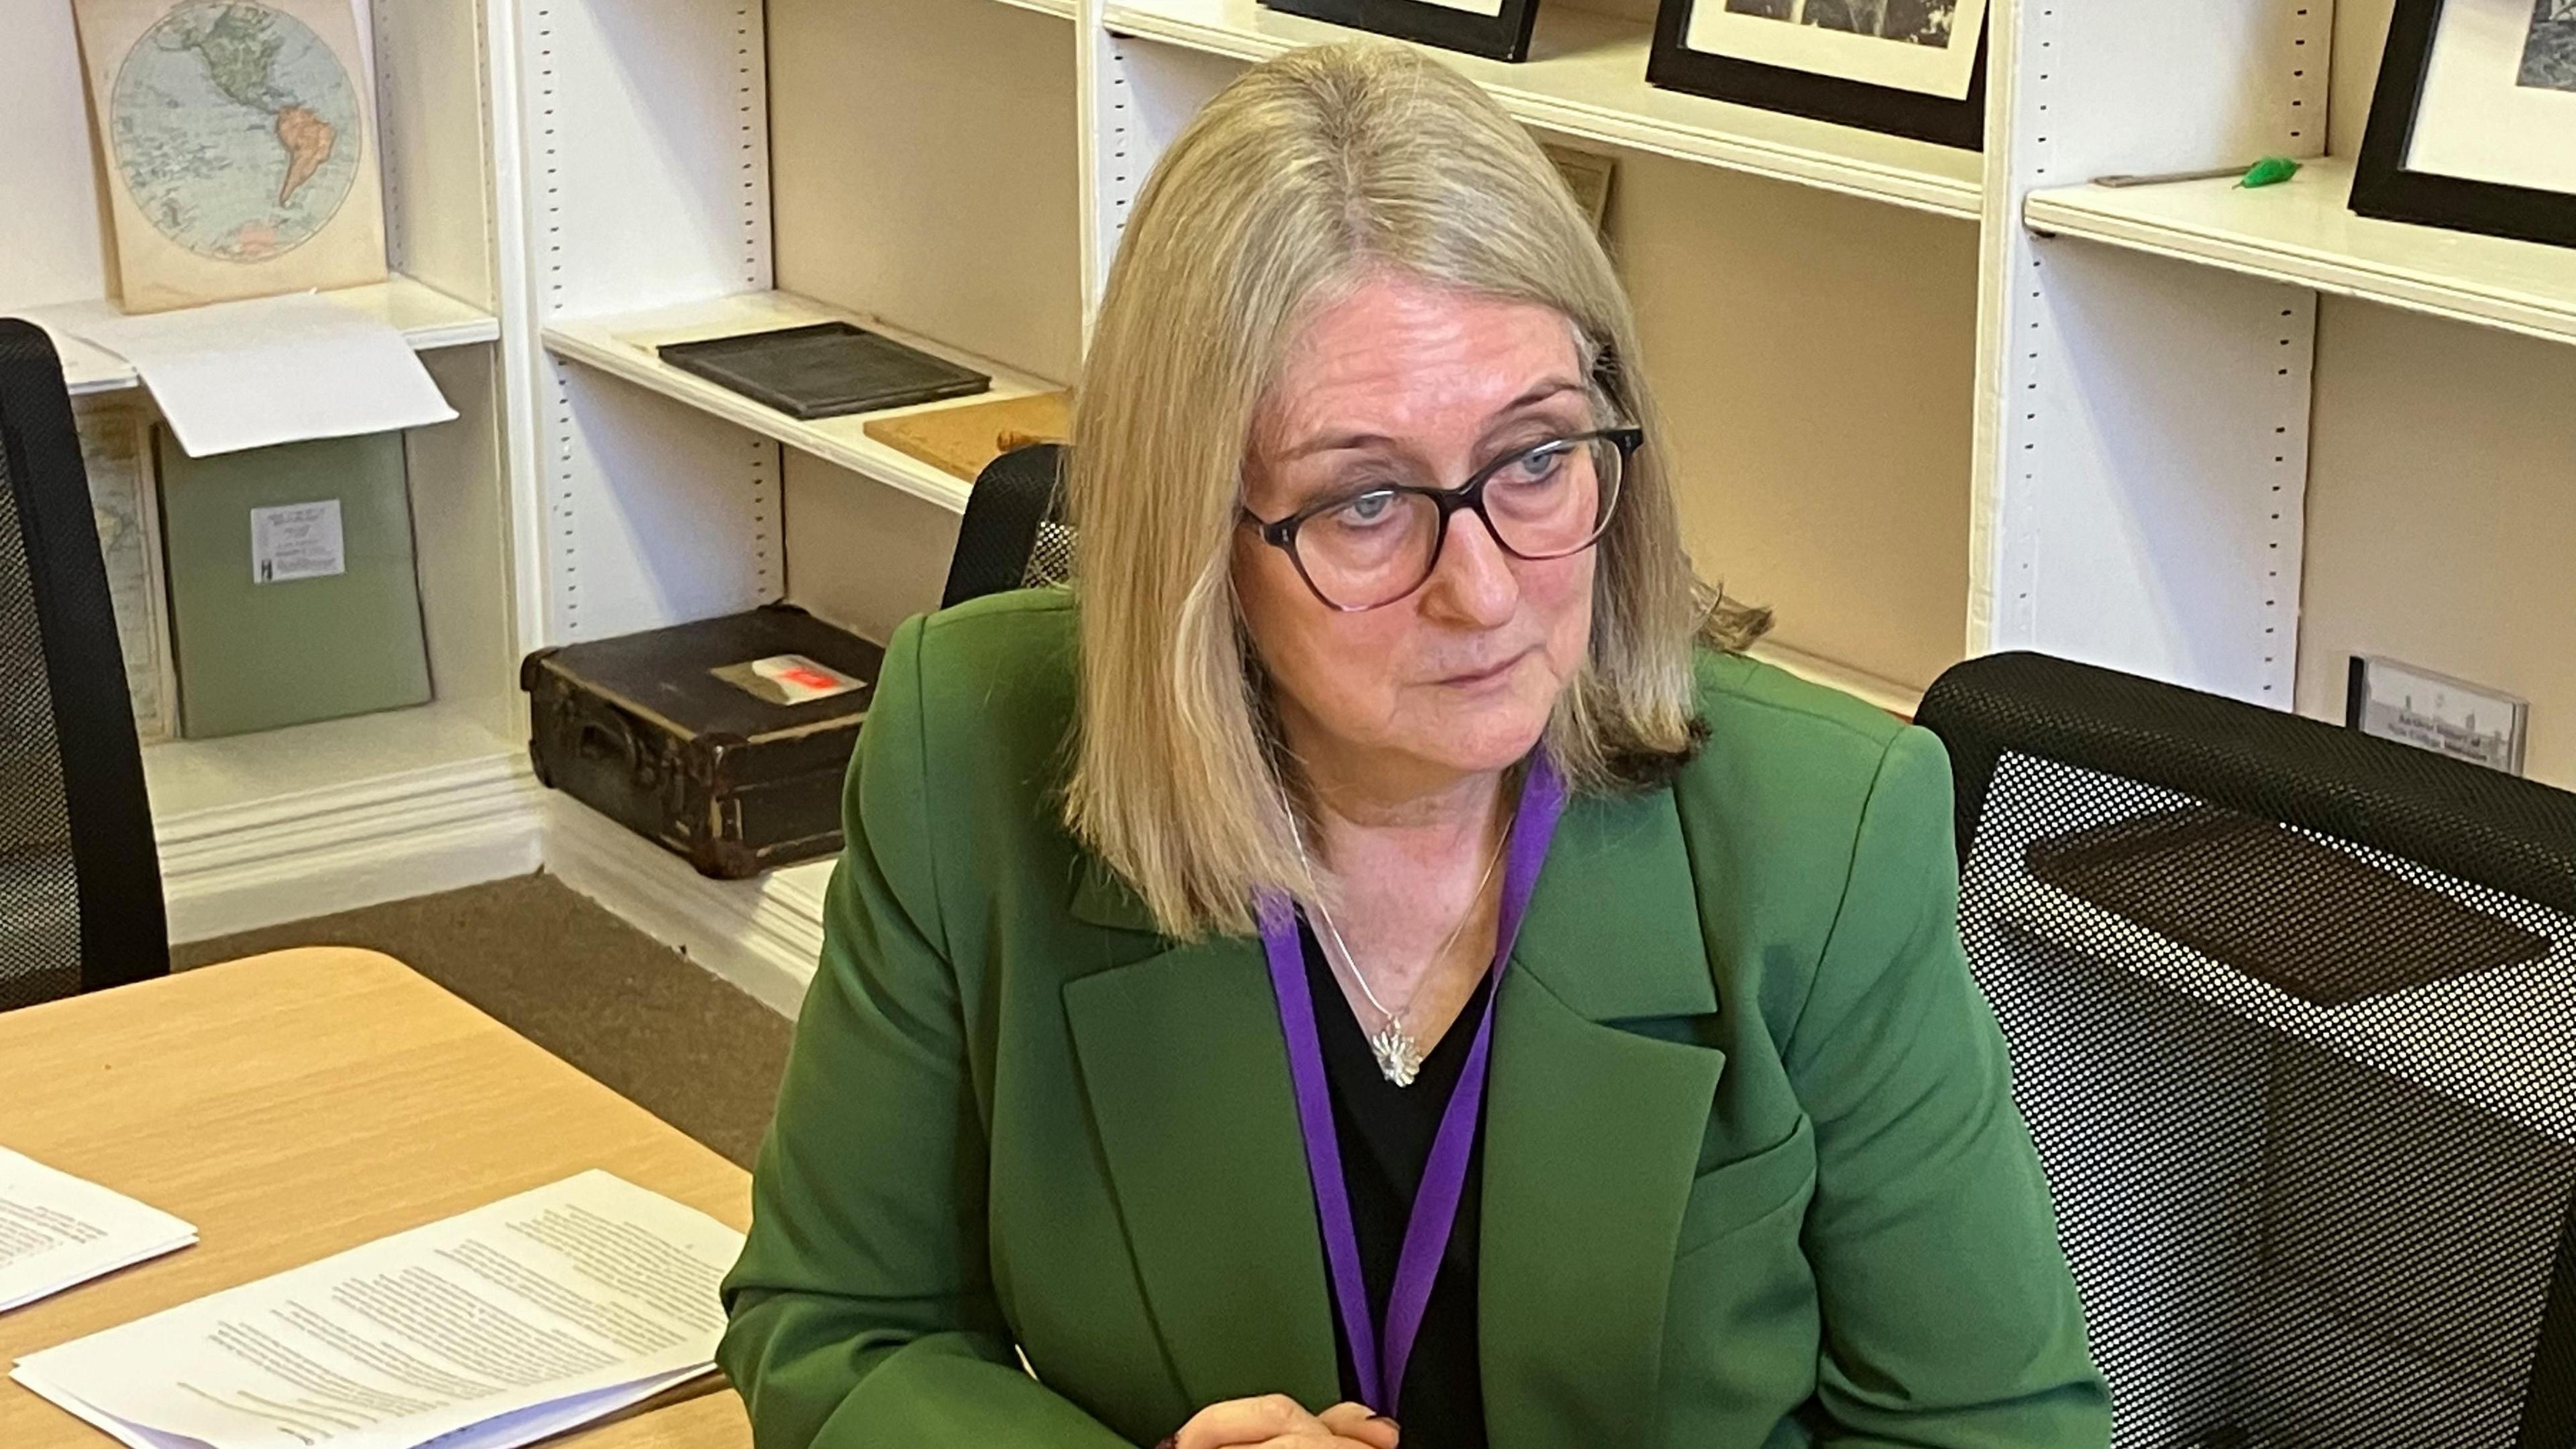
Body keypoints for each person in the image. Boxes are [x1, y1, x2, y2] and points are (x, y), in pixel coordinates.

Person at [718, 38, 2107, 1449]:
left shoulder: (1826, 829)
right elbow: (835, 1325)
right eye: (1367, 502)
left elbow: (2000, 1429)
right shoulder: (966, 742)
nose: (1487, 590)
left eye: (1538, 457)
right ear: (1197, 536)